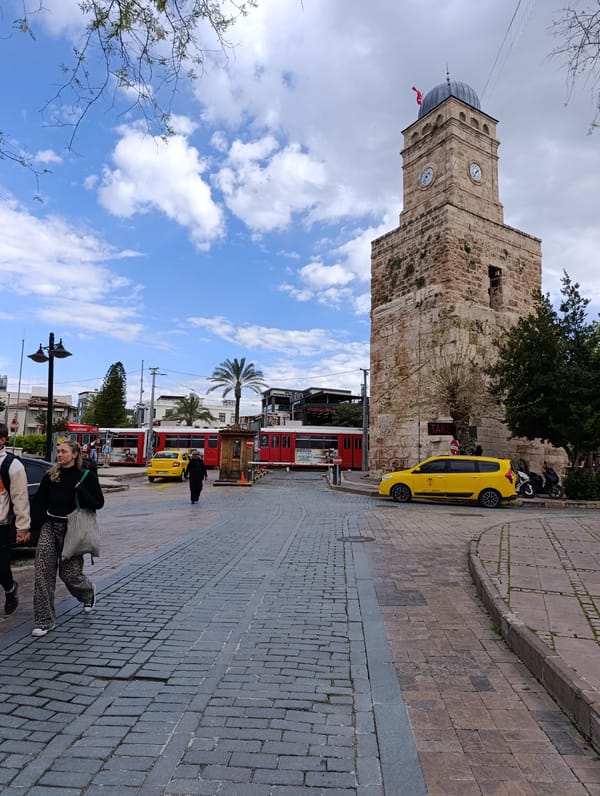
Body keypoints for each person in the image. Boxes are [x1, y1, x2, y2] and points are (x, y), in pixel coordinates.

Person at [31, 439, 104, 637]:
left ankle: (88, 592)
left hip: (73, 530)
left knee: (70, 575)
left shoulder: (86, 476)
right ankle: (44, 620)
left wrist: (81, 490)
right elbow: (39, 503)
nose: (60, 455)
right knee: (42, 574)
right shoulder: (51, 476)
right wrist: (32, 528)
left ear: (74, 454)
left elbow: (98, 503)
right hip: (50, 527)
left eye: (64, 451)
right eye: (58, 451)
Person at [0, 423, 31, 614]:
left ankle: (10, 589)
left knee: (1, 567)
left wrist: (23, 527)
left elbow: (20, 498)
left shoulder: (12, 465)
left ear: (2, 440)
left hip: (1, 525)